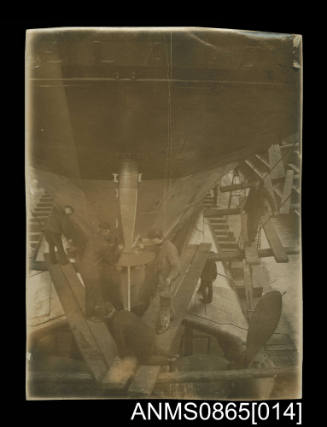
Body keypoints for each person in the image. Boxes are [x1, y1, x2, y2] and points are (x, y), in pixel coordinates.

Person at [101, 302, 178, 365]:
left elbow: (121, 345)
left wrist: (121, 357)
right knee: (154, 349)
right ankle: (172, 355)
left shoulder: (116, 324)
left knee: (144, 360)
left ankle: (169, 361)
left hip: (143, 342)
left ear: (107, 316)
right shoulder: (124, 311)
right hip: (150, 334)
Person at [146, 229, 181, 334]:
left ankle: (164, 325)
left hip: (168, 279)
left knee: (164, 302)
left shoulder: (169, 248)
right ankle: (172, 315)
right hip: (162, 277)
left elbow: (177, 267)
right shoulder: (161, 245)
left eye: (152, 240)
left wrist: (169, 278)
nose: (151, 242)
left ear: (159, 238)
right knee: (166, 299)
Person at [241, 180, 278, 245]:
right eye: (254, 182)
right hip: (250, 210)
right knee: (249, 224)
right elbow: (248, 200)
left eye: (256, 182)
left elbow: (270, 199)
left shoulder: (264, 190)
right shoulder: (252, 189)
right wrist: (244, 209)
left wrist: (274, 210)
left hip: (258, 210)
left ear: (259, 183)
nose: (255, 183)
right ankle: (250, 238)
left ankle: (251, 239)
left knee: (254, 225)